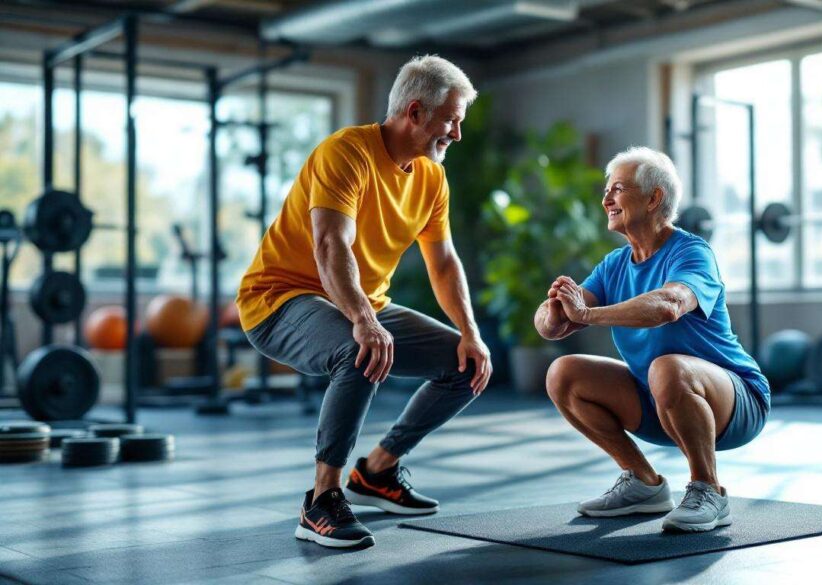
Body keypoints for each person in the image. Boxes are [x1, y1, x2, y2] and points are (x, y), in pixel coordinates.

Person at [237, 55, 492, 549]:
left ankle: (377, 471)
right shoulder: (346, 153)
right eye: (451, 120)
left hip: (362, 302)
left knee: (466, 365)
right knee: (360, 350)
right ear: (415, 112)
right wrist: (363, 320)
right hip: (279, 300)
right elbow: (331, 245)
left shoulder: (430, 177)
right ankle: (321, 500)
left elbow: (443, 262)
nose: (457, 134)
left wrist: (470, 332)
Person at [534, 146, 769, 533]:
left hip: (737, 401)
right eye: (607, 190)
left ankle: (709, 490)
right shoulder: (614, 265)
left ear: (654, 198)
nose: (606, 198)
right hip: (659, 399)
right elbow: (550, 324)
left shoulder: (691, 252)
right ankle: (643, 483)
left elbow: (668, 305)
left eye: (618, 189)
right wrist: (555, 309)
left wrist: (588, 315)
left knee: (667, 368)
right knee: (563, 373)